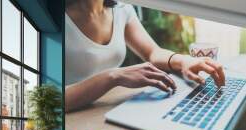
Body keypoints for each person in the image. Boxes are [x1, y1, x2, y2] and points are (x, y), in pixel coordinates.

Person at [65, 0, 225, 112]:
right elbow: (47, 101)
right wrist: (113, 76)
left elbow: (152, 52)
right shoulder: (52, 18)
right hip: (71, 118)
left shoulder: (121, 9)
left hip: (109, 107)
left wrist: (184, 60)